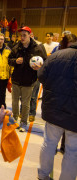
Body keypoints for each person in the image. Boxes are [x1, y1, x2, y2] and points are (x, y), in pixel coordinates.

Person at [37, 41, 77, 180]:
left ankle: (42, 175)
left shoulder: (55, 56)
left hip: (53, 108)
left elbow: (41, 76)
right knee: (73, 151)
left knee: (49, 143)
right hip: (74, 115)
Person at [8, 26, 46, 132]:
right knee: (15, 102)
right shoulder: (16, 47)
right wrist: (15, 61)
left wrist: (38, 67)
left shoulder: (37, 48)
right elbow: (9, 60)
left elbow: (44, 62)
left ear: (30, 35)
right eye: (21, 35)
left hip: (29, 81)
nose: (22, 37)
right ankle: (14, 120)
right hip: (16, 79)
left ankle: (24, 122)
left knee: (25, 103)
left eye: (25, 35)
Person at [0, 33, 12, 111]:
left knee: (2, 94)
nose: (0, 41)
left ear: (4, 40)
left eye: (2, 39)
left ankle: (2, 108)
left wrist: (11, 73)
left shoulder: (8, 50)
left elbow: (10, 62)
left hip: (4, 76)